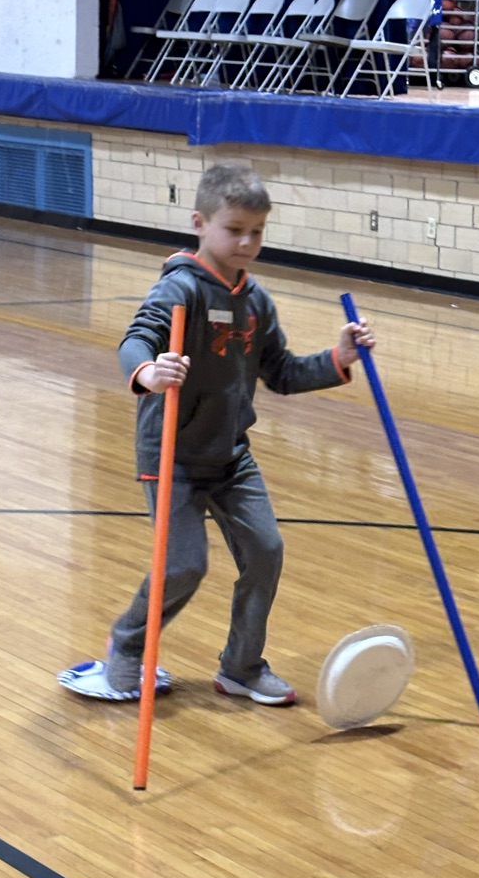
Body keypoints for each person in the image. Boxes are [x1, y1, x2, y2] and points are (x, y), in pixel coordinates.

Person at [105, 162, 375, 705]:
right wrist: (148, 372)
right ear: (200, 223)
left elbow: (283, 373)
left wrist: (338, 358)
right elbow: (136, 339)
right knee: (184, 564)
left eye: (257, 231)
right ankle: (128, 647)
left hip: (231, 457)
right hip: (174, 457)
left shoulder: (256, 302)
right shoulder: (179, 290)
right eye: (234, 230)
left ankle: (242, 666)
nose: (247, 242)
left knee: (266, 551)